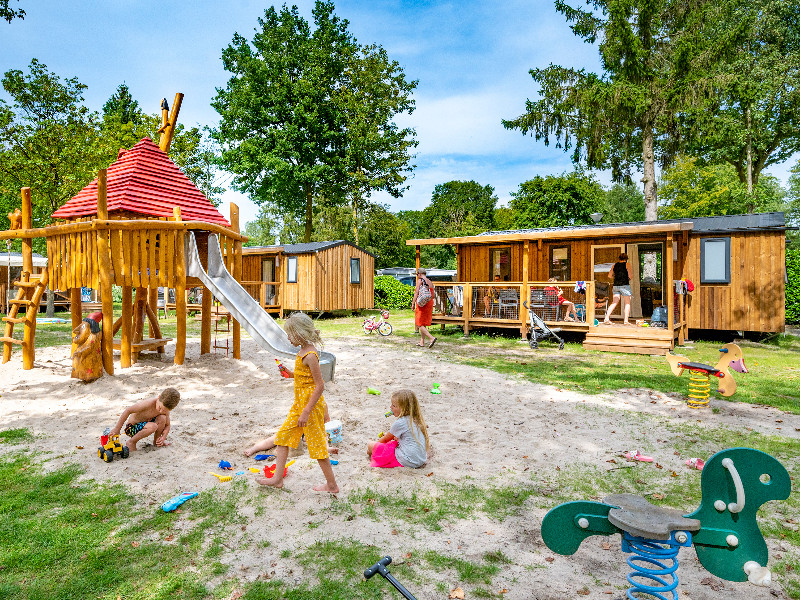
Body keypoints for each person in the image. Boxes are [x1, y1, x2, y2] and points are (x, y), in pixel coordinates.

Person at [256, 312, 338, 493]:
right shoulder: (301, 352)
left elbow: (319, 386)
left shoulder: (310, 355)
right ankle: (277, 479)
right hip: (299, 405)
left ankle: (332, 485)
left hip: (310, 407)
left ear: (300, 333)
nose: (288, 338)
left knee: (317, 447)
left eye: (290, 334)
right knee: (282, 438)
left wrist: (307, 412)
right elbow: (305, 377)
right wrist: (291, 374)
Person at [243, 403, 335, 457]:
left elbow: (327, 420)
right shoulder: (301, 400)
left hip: (313, 430)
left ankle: (327, 449)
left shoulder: (322, 404)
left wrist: (320, 427)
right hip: (299, 429)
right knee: (275, 438)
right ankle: (254, 448)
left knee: (323, 437)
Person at [367, 389, 429, 468]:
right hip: (420, 460)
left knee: (370, 444)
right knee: (395, 442)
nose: (391, 407)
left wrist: (374, 447)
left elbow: (385, 439)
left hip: (407, 460)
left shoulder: (400, 423)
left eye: (394, 406)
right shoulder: (416, 419)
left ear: (403, 408)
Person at [109, 388, 180, 452]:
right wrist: (117, 429)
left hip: (147, 425)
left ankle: (157, 441)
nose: (161, 411)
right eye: (160, 407)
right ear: (158, 398)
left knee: (162, 418)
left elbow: (167, 425)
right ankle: (131, 442)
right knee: (153, 426)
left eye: (164, 410)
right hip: (132, 428)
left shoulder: (165, 410)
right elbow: (128, 410)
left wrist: (163, 437)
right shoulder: (147, 404)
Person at [605, 252, 633, 325]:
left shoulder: (615, 265)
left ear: (619, 259)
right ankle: (626, 321)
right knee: (627, 303)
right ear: (626, 259)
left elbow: (609, 275)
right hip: (624, 286)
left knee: (614, 302)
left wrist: (616, 277)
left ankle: (606, 318)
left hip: (616, 286)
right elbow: (630, 276)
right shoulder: (627, 265)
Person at [412, 268, 436, 348]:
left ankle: (431, 338)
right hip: (429, 303)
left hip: (422, 303)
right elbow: (432, 294)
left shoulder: (420, 281)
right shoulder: (430, 282)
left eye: (417, 274)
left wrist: (413, 303)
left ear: (419, 273)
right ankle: (421, 342)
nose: (417, 276)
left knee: (418, 323)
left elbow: (416, 293)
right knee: (423, 323)